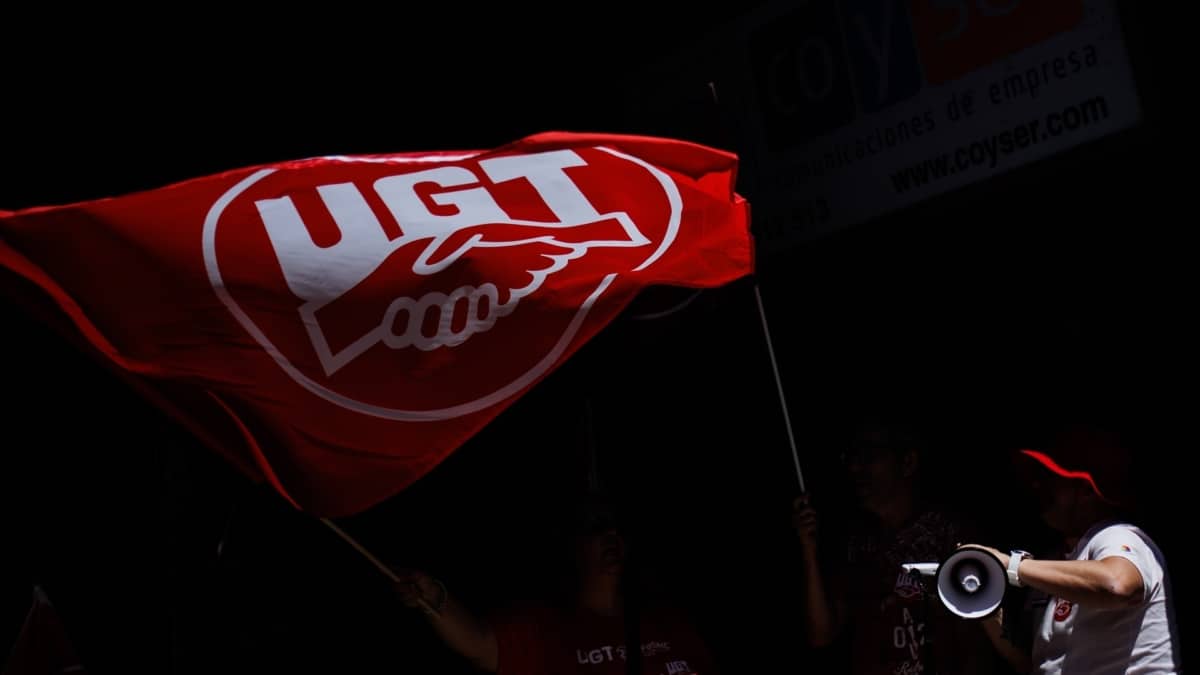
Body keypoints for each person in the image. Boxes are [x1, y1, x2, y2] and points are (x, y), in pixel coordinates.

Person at [393, 493, 718, 674]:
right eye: (594, 527)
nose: (610, 535)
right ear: (571, 546)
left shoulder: (669, 622)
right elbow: (478, 643)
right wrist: (436, 598)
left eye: (617, 527)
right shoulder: (542, 626)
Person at [963, 424, 1182, 674]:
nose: (1037, 486)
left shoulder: (1120, 536)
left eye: (1050, 479)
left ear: (1088, 491)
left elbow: (1117, 584)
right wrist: (984, 607)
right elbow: (1036, 665)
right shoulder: (1059, 560)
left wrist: (1010, 565)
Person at [792, 418, 998, 674]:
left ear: (907, 462)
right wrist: (809, 551)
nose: (856, 467)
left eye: (869, 456)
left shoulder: (949, 534)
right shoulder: (856, 542)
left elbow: (977, 642)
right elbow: (821, 634)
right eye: (852, 457)